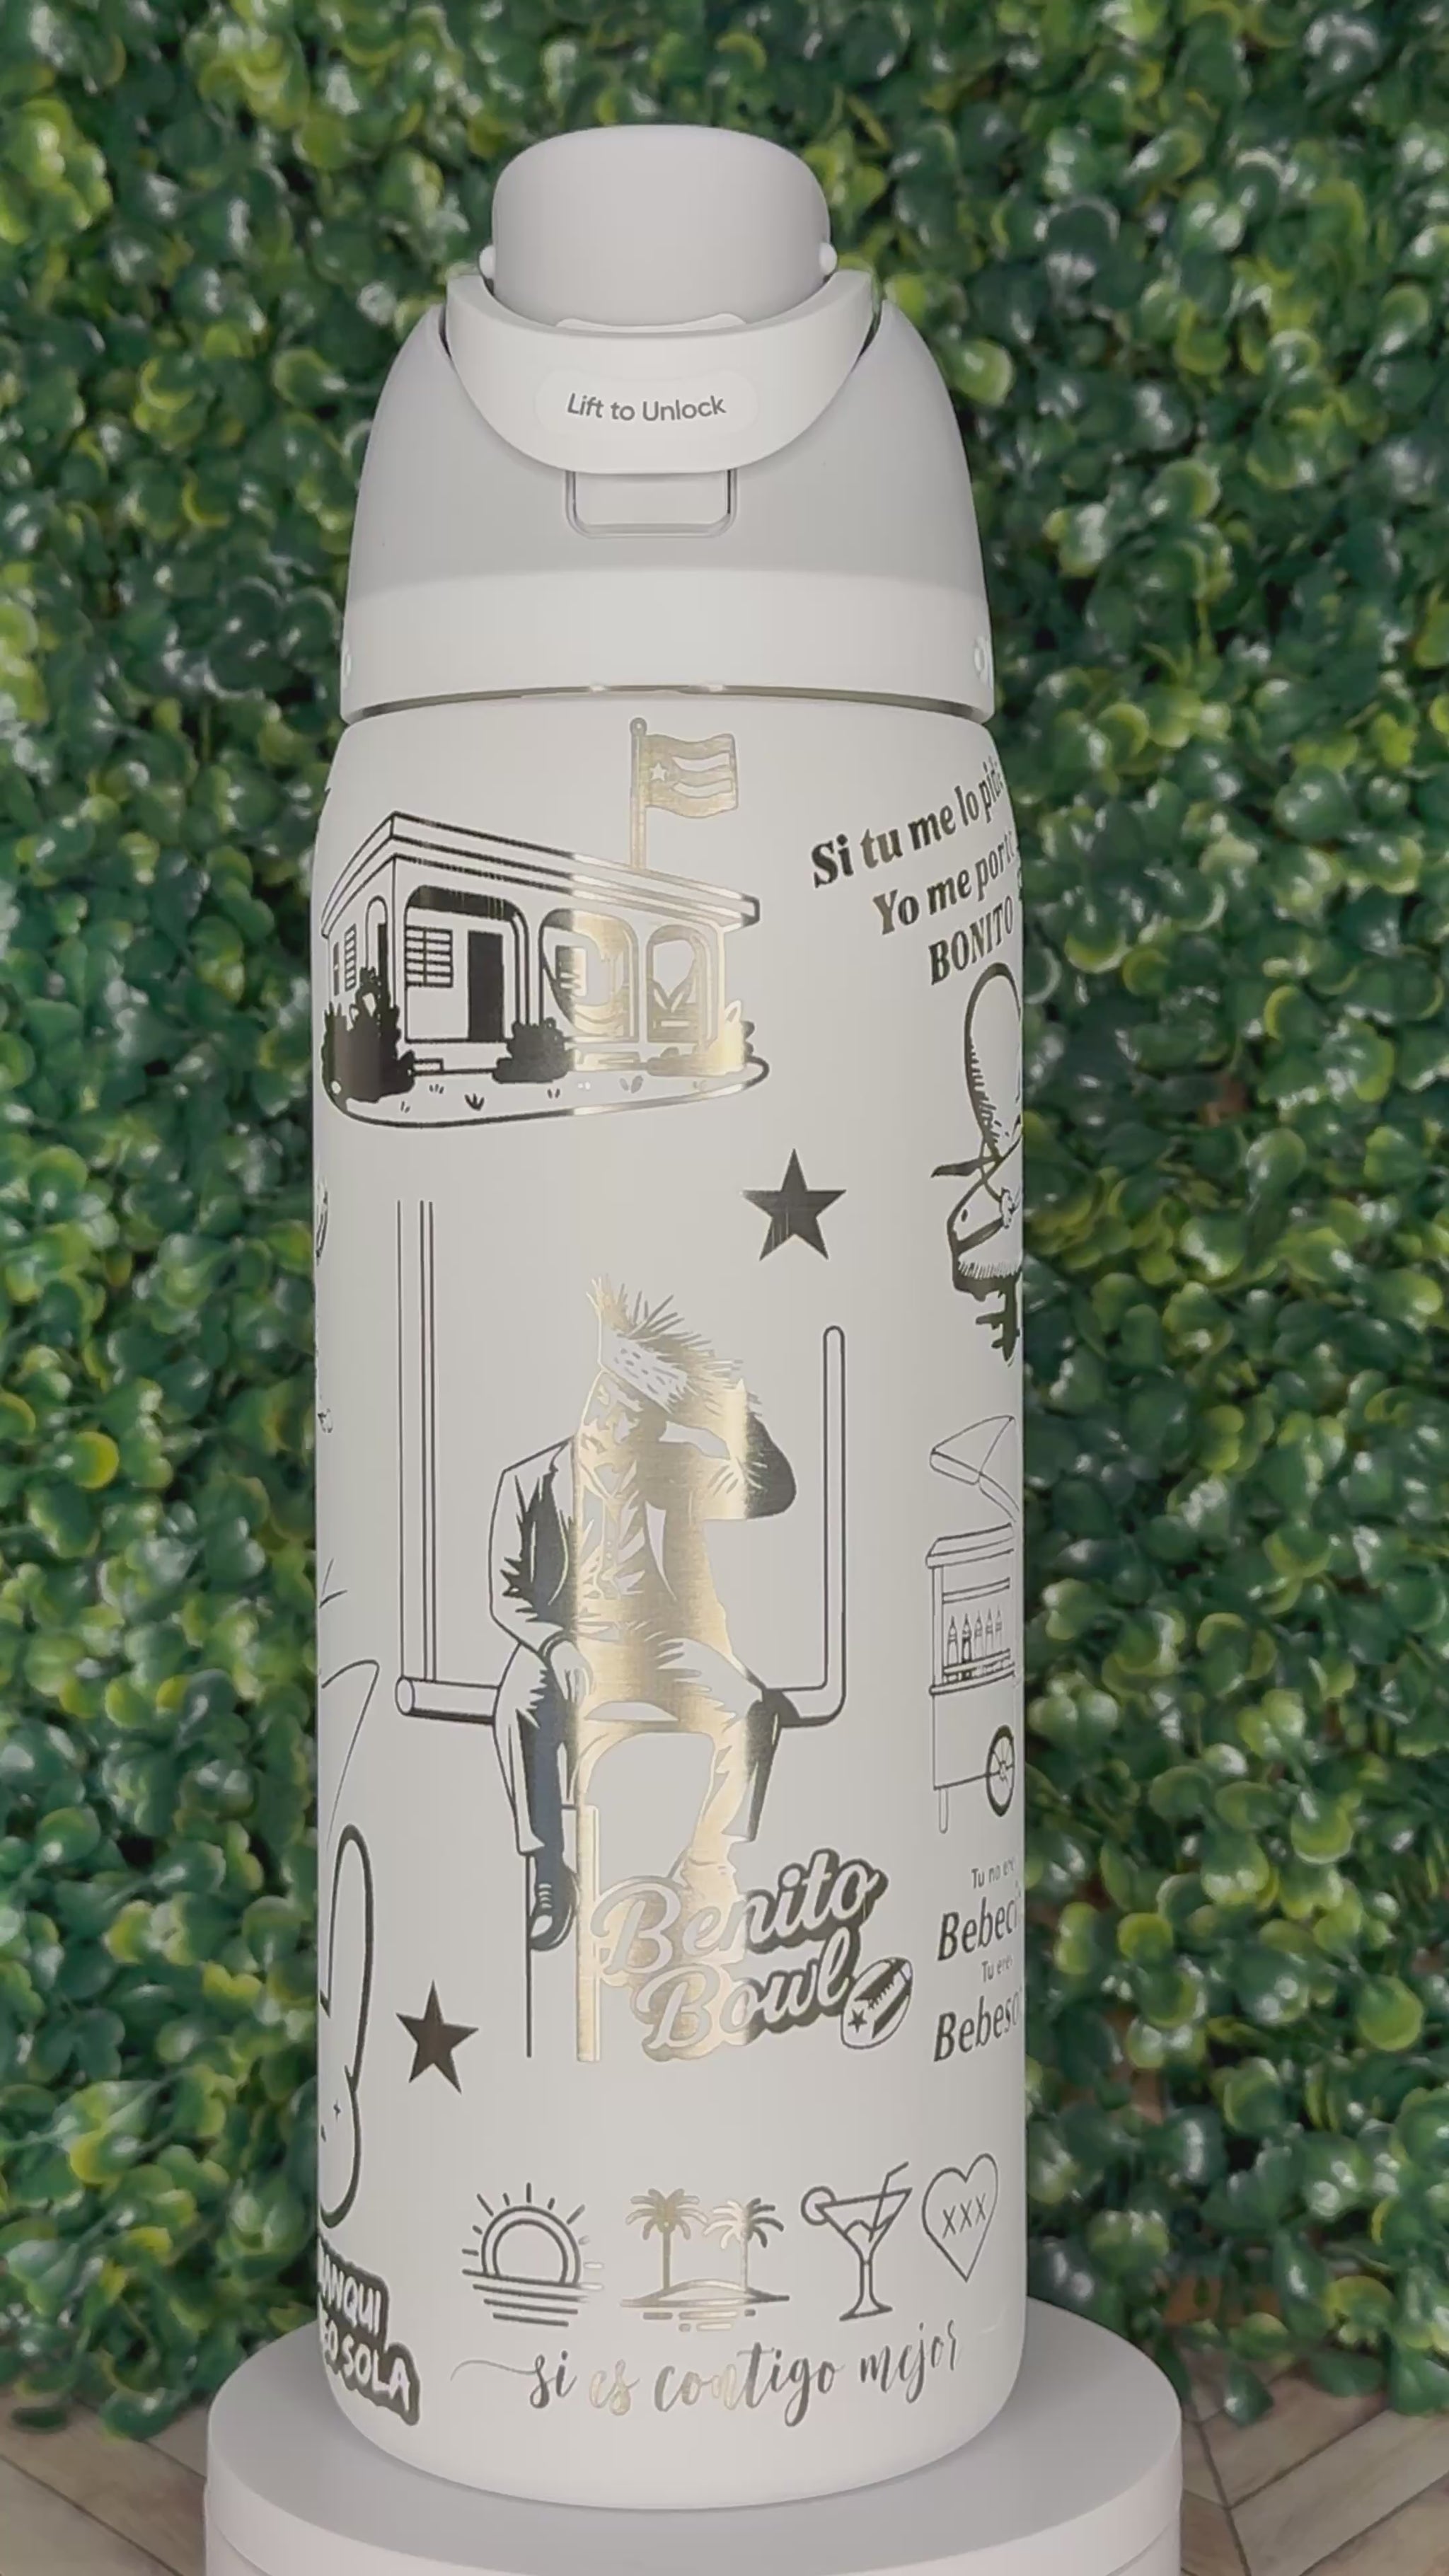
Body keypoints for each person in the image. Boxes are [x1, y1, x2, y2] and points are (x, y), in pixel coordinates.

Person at [487, 1283, 799, 1950]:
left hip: (656, 1643)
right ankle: (547, 1869)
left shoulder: (670, 1469)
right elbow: (505, 1593)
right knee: (516, 1702)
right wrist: (555, 1646)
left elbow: (772, 1489)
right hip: (567, 1644)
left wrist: (723, 1410)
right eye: (620, 1410)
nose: (631, 1427)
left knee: (749, 1708)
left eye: (647, 1418)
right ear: (595, 1406)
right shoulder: (530, 1480)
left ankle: (712, 1860)